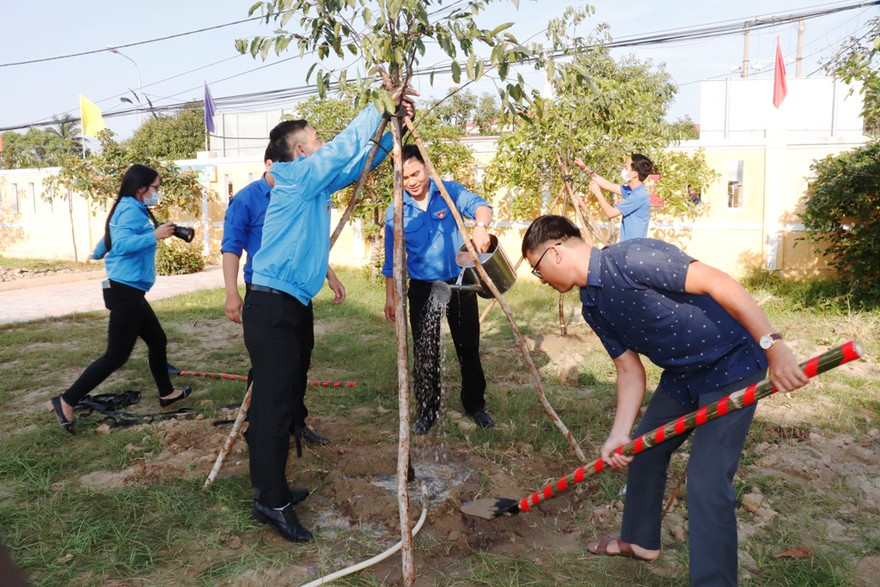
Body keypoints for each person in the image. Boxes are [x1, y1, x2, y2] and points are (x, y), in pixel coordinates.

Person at [521, 215, 809, 586]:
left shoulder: (632, 258)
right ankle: (639, 541)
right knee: (644, 450)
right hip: (682, 376)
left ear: (555, 252)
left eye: (537, 269)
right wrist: (619, 434)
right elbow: (629, 371)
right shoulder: (592, 303)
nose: (542, 280)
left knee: (706, 481)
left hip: (731, 366)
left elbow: (720, 283)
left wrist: (775, 347)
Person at [242, 91, 415, 543]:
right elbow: (341, 151)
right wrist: (380, 104)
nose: (323, 143)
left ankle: (268, 487)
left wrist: (389, 129)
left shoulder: (311, 181)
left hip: (291, 303)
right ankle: (271, 502)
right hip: (272, 305)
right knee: (276, 408)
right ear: (300, 151)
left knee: (278, 399)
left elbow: (354, 163)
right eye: (315, 139)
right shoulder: (295, 176)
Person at [46, 164, 192, 434]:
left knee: (157, 340)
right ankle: (66, 400)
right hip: (125, 290)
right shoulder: (129, 209)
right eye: (155, 188)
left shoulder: (130, 207)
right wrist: (154, 235)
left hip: (130, 289)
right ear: (141, 188)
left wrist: (99, 252)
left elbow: (112, 239)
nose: (157, 193)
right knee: (116, 355)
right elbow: (123, 245)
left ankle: (167, 394)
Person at [220, 142, 331, 446]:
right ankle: (260, 428)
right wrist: (231, 293)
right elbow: (231, 247)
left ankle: (296, 421)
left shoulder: (300, 192)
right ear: (271, 164)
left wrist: (330, 276)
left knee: (300, 359)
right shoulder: (247, 200)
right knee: (270, 369)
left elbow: (309, 241)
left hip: (297, 293)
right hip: (265, 293)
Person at [382, 144, 495, 435]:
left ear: (427, 168)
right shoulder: (395, 210)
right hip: (423, 289)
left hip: (459, 285)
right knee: (425, 351)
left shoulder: (449, 192)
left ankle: (475, 405)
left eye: (416, 173)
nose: (412, 181)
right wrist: (390, 298)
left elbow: (482, 206)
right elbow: (392, 261)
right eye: (404, 178)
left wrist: (481, 226)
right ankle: (426, 411)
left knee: (468, 348)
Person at [573, 154, 653, 241]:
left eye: (626, 168)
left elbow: (611, 213)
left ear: (634, 174)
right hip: (628, 246)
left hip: (634, 248)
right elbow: (607, 185)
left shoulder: (639, 196)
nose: (624, 171)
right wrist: (585, 169)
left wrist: (598, 193)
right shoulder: (632, 190)